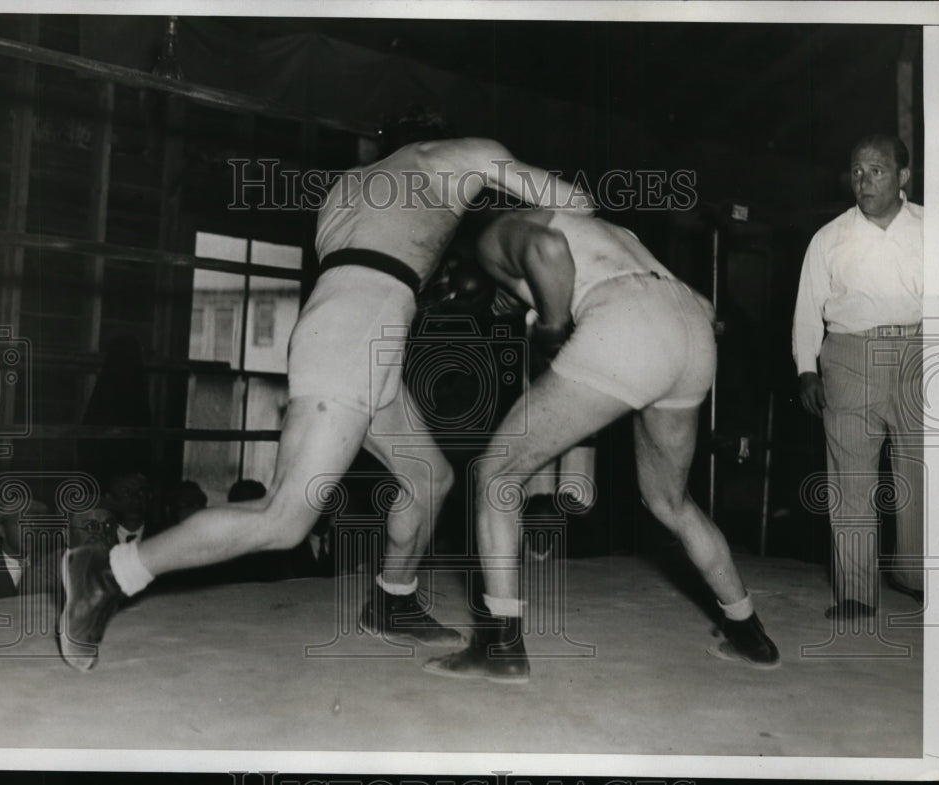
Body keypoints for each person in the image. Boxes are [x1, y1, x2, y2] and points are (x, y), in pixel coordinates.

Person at [56, 110, 594, 672]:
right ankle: (109, 573)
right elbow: (573, 201)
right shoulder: (460, 154)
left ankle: (393, 601)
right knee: (286, 518)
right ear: (439, 136)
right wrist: (511, 266)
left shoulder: (348, 189)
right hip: (359, 326)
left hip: (355, 319)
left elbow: (379, 264)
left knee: (427, 476)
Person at [423, 208, 781, 683]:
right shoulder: (613, 233)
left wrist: (551, 326)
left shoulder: (494, 232)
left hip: (625, 325)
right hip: (690, 329)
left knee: (496, 475)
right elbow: (705, 308)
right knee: (670, 500)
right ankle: (749, 634)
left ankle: (500, 646)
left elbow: (546, 251)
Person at [791, 133, 924, 620]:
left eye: (877, 171)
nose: (864, 182)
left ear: (903, 177)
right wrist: (807, 370)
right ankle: (855, 592)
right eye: (857, 171)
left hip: (917, 352)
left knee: (922, 472)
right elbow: (807, 310)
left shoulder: (934, 227)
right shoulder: (829, 238)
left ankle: (918, 578)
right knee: (851, 477)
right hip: (848, 355)